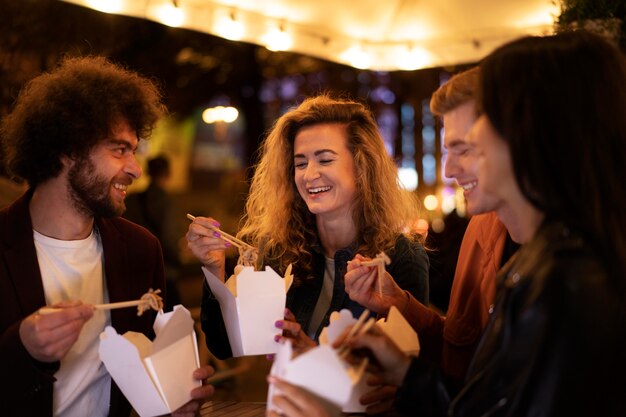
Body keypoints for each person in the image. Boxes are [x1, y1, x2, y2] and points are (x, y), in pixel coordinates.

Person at [275, 30, 626, 417]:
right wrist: (406, 372)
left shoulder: (570, 278)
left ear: (535, 137)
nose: (451, 168)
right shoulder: (542, 254)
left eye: (473, 143)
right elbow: (481, 387)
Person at [0, 56, 214, 417]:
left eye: (134, 149)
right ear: (66, 149)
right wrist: (22, 347)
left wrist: (173, 399)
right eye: (119, 149)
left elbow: (144, 377)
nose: (135, 169)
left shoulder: (140, 250)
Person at [186, 95, 429, 359]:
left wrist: (312, 354)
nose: (309, 175)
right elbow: (226, 347)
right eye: (300, 163)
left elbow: (407, 369)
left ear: (361, 165)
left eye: (325, 160)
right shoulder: (281, 249)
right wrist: (214, 269)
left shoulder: (402, 256)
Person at [124, 154, 183, 311]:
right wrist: (179, 260)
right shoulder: (166, 201)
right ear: (168, 173)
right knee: (175, 323)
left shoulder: (131, 200)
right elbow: (169, 237)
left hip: (135, 271)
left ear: (148, 172)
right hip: (164, 272)